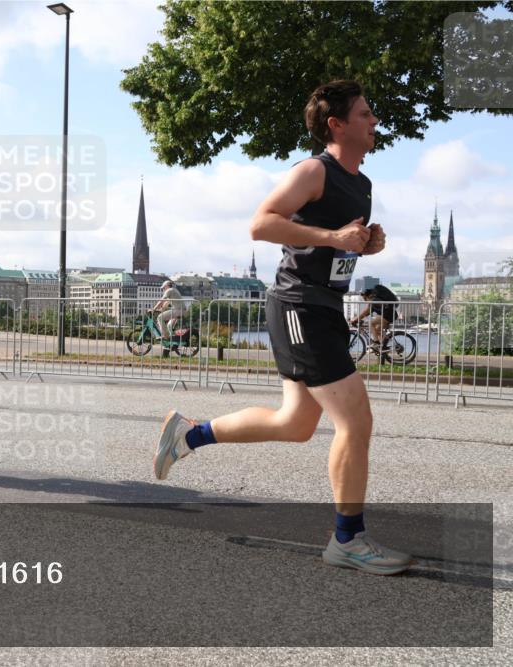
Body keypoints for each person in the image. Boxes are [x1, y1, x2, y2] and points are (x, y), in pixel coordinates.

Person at [153, 81, 414, 575]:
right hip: (299, 304)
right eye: (365, 114)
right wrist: (333, 235)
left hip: (324, 305)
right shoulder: (314, 170)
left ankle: (189, 434)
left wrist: (362, 244)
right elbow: (261, 224)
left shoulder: (362, 184)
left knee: (294, 424)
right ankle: (348, 539)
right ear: (337, 124)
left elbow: (333, 246)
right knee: (355, 421)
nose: (374, 120)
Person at [350, 284, 398, 353]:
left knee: (371, 323)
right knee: (377, 329)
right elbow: (366, 313)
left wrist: (356, 319)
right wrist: (357, 319)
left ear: (368, 296)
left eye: (364, 298)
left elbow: (366, 312)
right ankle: (382, 347)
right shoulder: (373, 302)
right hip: (389, 315)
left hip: (389, 315)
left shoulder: (374, 300)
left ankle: (376, 343)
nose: (364, 300)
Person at [152, 280, 186, 351]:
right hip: (182, 311)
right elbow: (166, 303)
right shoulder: (173, 290)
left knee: (160, 317)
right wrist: (161, 310)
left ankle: (165, 336)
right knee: (169, 326)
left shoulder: (169, 290)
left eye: (164, 288)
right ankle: (174, 343)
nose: (163, 290)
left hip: (178, 310)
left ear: (167, 286)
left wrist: (153, 309)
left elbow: (162, 300)